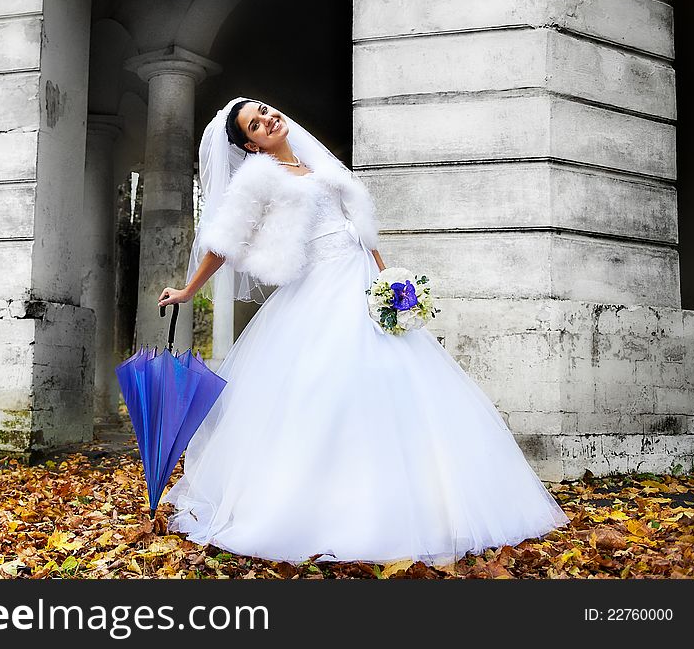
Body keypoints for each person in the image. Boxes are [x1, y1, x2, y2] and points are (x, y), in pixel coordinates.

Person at [156, 96, 570, 567]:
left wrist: (388, 281)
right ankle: (326, 511)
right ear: (250, 145)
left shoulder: (320, 166)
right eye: (256, 124)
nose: (269, 119)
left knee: (399, 385)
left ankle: (425, 506)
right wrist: (189, 290)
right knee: (327, 391)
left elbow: (361, 232)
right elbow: (225, 242)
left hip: (362, 286)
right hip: (318, 292)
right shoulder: (259, 179)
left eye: (267, 111)